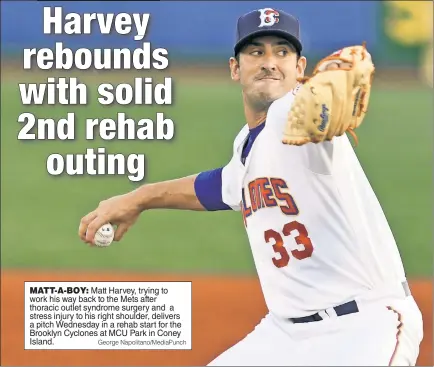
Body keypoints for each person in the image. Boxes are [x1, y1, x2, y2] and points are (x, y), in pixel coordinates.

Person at [79, 8, 424, 366]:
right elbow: (218, 186)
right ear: (235, 68)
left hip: (363, 327)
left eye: (282, 52)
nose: (270, 62)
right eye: (256, 52)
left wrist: (338, 80)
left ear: (300, 68)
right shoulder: (248, 146)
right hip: (283, 333)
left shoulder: (295, 113)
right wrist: (139, 198)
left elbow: (340, 78)